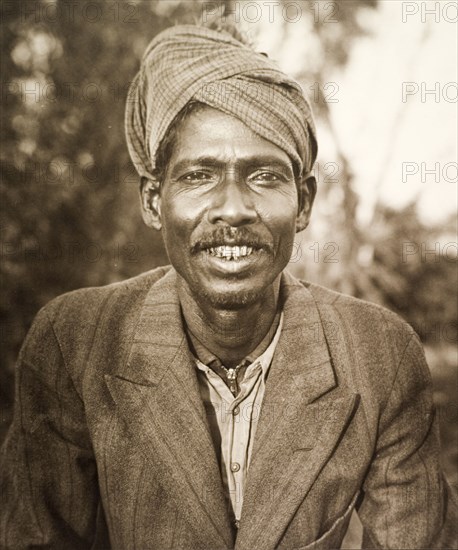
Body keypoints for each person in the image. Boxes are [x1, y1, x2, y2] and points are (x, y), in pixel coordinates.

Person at [1, 23, 457, 550]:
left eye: (265, 176)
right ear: (154, 200)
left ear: (304, 202)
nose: (234, 209)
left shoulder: (379, 354)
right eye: (199, 176)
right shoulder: (74, 341)